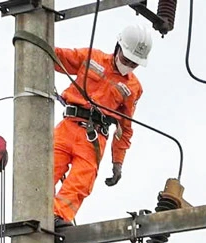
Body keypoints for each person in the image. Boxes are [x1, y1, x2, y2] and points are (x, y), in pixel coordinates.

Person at [51, 22, 154, 227]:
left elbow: (125, 129)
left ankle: (59, 216)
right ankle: (31, 211)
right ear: (118, 47)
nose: (129, 66)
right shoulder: (92, 58)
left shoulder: (133, 88)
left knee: (81, 180)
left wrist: (118, 162)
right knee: (45, 170)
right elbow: (58, 57)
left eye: (134, 64)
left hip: (94, 138)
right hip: (68, 126)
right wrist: (32, 42)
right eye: (127, 59)